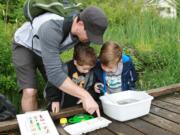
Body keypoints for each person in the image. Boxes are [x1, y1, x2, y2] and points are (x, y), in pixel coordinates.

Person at [12, 6, 108, 116]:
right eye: (90, 35)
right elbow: (55, 75)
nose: (90, 39)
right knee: (30, 91)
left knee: (66, 84)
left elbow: (81, 62)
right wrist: (85, 95)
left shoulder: (82, 34)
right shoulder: (51, 28)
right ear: (80, 24)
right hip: (25, 46)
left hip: (48, 50)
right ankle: (33, 128)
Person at [45, 43, 97, 113]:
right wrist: (54, 100)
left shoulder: (90, 72)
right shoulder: (64, 69)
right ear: (75, 62)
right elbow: (52, 85)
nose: (87, 71)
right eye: (84, 69)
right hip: (60, 105)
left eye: (89, 69)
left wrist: (89, 96)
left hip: (77, 107)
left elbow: (91, 87)